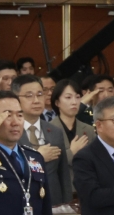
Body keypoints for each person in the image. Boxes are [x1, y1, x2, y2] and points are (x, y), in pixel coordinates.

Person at [14, 74, 72, 206]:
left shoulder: (55, 131)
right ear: (15, 99)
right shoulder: (10, 131)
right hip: (23, 201)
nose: (36, 100)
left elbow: (63, 174)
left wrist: (67, 204)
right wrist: (38, 157)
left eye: (40, 94)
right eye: (29, 96)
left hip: (54, 202)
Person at [51, 77, 95, 152]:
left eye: (77, 97)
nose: (74, 102)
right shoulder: (48, 129)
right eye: (68, 97)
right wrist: (71, 152)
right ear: (57, 102)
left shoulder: (89, 130)